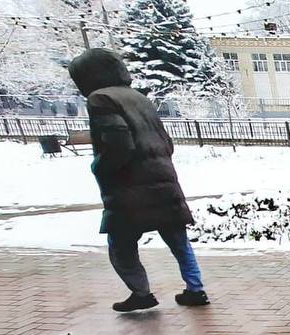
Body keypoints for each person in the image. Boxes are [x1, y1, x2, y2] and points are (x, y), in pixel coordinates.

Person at [68, 48, 209, 312]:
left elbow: (119, 144)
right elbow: (166, 142)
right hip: (164, 183)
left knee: (120, 246)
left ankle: (141, 292)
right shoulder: (139, 98)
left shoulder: (101, 99)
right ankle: (195, 288)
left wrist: (99, 166)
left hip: (130, 191)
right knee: (179, 241)